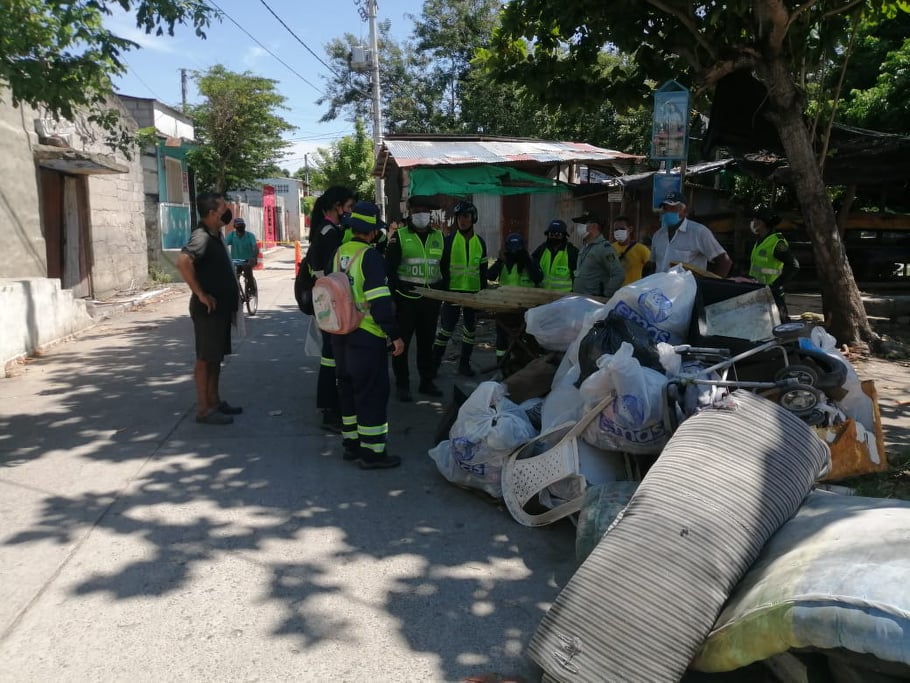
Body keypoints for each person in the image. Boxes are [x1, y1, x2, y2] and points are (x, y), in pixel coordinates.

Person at [330, 201, 405, 469]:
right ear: (372, 231)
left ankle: (351, 445)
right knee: (372, 393)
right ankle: (372, 452)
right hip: (366, 336)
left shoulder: (340, 253)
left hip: (341, 335)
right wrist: (394, 335)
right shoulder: (370, 257)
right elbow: (380, 302)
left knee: (348, 390)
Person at [175, 192, 241, 425]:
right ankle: (204, 409)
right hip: (208, 311)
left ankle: (214, 401)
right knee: (205, 359)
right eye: (223, 207)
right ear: (212, 213)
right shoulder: (201, 236)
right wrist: (201, 293)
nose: (228, 209)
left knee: (215, 358)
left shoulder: (214, 235)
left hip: (220, 309)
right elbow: (183, 261)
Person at [303, 185, 357, 432]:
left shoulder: (327, 230)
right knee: (331, 358)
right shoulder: (329, 233)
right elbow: (333, 272)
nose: (351, 212)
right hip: (330, 303)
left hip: (325, 301)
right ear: (338, 207)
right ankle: (330, 409)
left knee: (330, 356)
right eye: (349, 207)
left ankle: (329, 406)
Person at [385, 195, 445, 402]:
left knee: (426, 343)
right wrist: (396, 292)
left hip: (430, 300)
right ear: (410, 213)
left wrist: (442, 292)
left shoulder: (439, 236)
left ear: (430, 214)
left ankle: (426, 381)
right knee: (401, 344)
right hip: (406, 299)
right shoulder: (399, 236)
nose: (422, 215)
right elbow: (390, 269)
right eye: (417, 211)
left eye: (425, 211)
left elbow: (443, 268)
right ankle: (402, 385)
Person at [433, 200, 488, 377]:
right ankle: (433, 364)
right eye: (458, 217)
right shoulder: (448, 241)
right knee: (446, 329)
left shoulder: (480, 243)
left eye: (465, 216)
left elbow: (483, 270)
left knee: (469, 331)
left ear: (473, 218)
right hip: (452, 292)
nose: (462, 221)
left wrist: (483, 293)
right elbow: (441, 267)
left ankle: (464, 365)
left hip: (473, 293)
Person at [647, 191, 733, 277]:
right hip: (660, 288)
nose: (668, 212)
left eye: (673, 208)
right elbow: (654, 264)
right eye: (665, 208)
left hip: (688, 289)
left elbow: (724, 262)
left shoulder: (698, 232)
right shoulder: (658, 235)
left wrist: (711, 286)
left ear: (685, 211)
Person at [488, 232, 543, 360]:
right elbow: (490, 275)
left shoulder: (530, 262)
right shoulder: (503, 263)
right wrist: (500, 260)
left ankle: (527, 361)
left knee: (529, 337)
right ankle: (501, 363)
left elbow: (538, 278)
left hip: (526, 309)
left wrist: (528, 261)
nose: (515, 253)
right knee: (502, 338)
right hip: (505, 308)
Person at [747, 206, 799, 320]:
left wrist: (775, 286)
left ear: (763, 223)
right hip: (758, 291)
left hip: (772, 294)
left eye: (755, 220)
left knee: (780, 324)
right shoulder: (760, 241)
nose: (753, 223)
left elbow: (794, 265)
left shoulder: (777, 243)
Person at [571, 212, 625, 298]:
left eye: (583, 224)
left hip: (592, 303)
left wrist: (605, 295)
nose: (579, 227)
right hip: (579, 300)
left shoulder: (604, 248)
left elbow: (618, 274)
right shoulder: (585, 247)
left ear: (594, 226)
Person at [532, 219, 578, 292]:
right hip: (543, 296)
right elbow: (532, 265)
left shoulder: (571, 251)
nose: (554, 237)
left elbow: (577, 276)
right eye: (551, 235)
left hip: (564, 298)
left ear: (564, 236)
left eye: (558, 235)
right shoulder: (542, 249)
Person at [610, 216, 651, 285]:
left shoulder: (641, 249)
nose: (618, 231)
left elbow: (651, 270)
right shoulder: (611, 248)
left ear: (630, 229)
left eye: (622, 229)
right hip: (615, 290)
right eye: (616, 229)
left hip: (633, 290)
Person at [225, 217, 259, 283]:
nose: (240, 226)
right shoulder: (231, 235)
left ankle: (251, 287)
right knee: (233, 278)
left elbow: (255, 248)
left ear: (244, 226)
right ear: (235, 226)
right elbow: (223, 245)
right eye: (238, 225)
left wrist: (254, 257)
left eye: (242, 224)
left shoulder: (250, 236)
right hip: (235, 261)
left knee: (248, 272)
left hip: (248, 260)